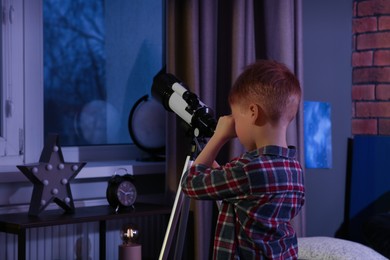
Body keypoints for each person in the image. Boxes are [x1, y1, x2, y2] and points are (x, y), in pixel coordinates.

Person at [181, 60, 305, 259]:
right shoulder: (294, 169)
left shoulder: (248, 169)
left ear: (253, 113)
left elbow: (190, 183)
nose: (233, 125)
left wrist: (218, 137)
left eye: (235, 118)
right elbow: (247, 195)